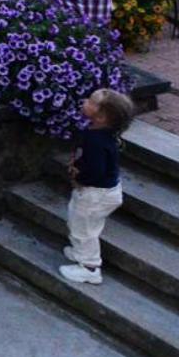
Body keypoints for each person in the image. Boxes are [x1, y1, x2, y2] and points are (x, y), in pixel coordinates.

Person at [59, 88, 135, 285]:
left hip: (95, 193)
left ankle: (90, 268)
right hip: (100, 191)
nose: (85, 102)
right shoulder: (100, 134)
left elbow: (96, 170)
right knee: (77, 220)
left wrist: (80, 176)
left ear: (101, 116)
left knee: (84, 229)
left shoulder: (97, 141)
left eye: (91, 102)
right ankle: (79, 253)